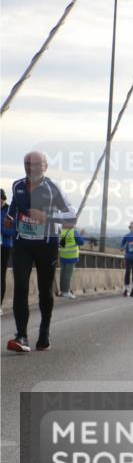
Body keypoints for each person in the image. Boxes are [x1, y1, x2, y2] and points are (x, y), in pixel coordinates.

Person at [5, 151, 77, 352]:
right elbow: (14, 207)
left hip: (47, 244)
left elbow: (72, 216)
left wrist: (47, 218)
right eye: (27, 163)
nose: (31, 167)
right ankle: (22, 336)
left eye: (35, 164)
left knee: (45, 290)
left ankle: (44, 330)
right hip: (22, 243)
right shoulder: (17, 185)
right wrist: (10, 218)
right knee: (20, 286)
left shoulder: (53, 188)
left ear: (44, 166)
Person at [57, 219, 85, 298]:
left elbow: (62, 244)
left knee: (63, 275)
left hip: (63, 256)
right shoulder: (74, 232)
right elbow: (81, 242)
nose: (74, 224)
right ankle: (66, 292)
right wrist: (82, 234)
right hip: (71, 257)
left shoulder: (63, 231)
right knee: (67, 276)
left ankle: (62, 291)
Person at [1, 189, 14, 314]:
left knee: (1, 275)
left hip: (4, 247)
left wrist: (1, 230)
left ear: (3, 199)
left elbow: (11, 232)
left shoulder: (9, 212)